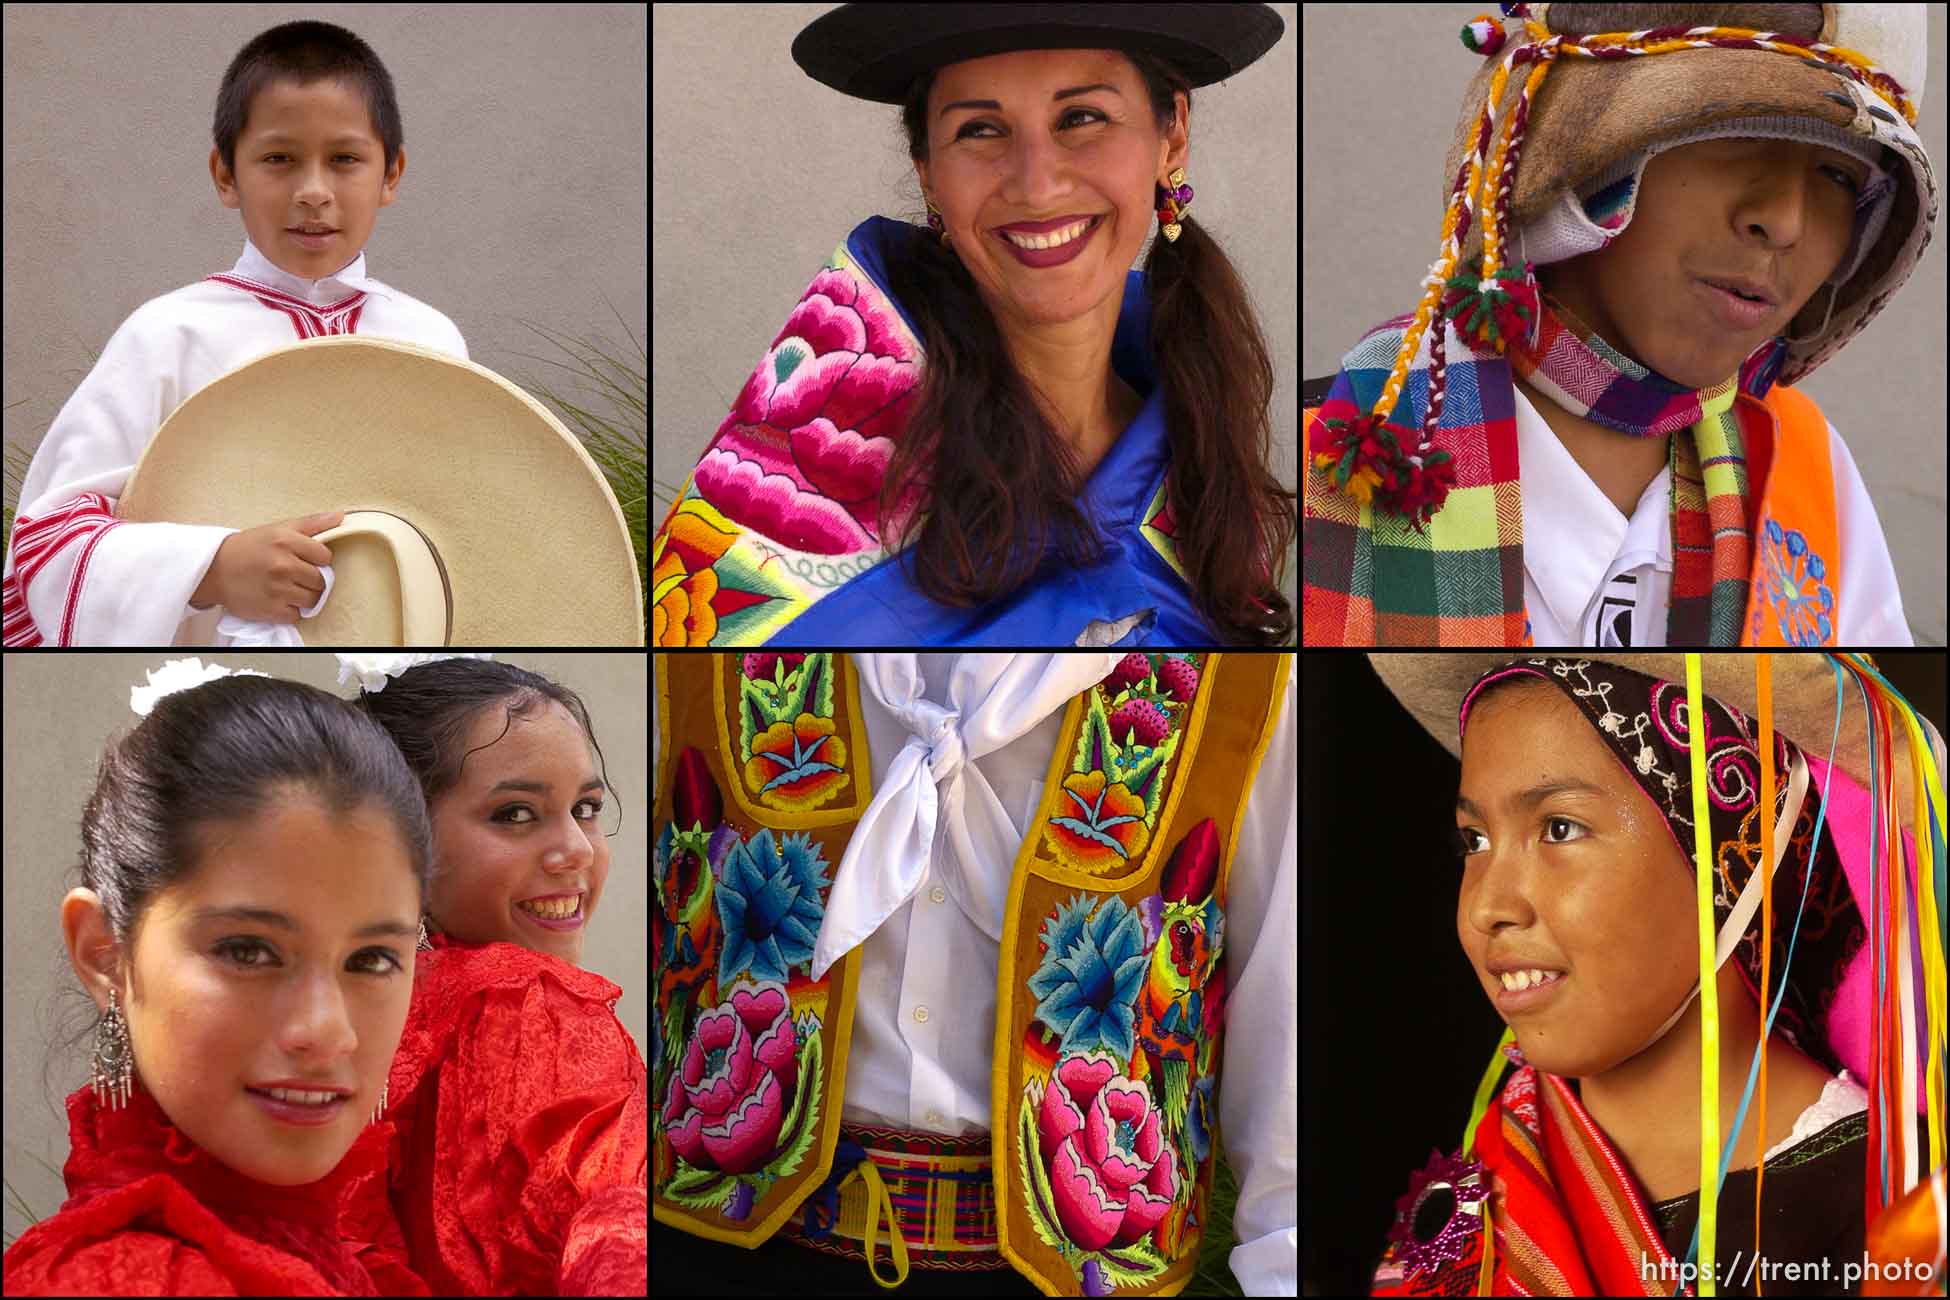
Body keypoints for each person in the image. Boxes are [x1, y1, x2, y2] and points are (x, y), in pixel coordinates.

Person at [653, 651, 1297, 1296]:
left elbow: (1287, 1023)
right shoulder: (717, 613)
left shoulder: (1234, 672)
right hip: (724, 1243)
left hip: (1073, 1274)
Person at [651, 4, 1295, 648]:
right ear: (928, 171)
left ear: (1171, 136)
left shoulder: (1201, 460)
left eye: (1082, 118)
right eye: (981, 131)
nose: (1037, 186)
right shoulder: (792, 477)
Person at [1303, 4, 1932, 646]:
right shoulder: (1335, 444)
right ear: (1588, 162)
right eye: (1736, 132)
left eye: (1838, 174)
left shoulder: (1804, 469)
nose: (1785, 220)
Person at [1365, 653, 1946, 1296]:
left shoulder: (1896, 1219)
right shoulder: (1506, 1158)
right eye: (1473, 841)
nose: (1486, 907)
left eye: (1560, 828)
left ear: (1736, 861)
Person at [3, 20, 468, 646]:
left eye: (345, 160)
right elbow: (49, 541)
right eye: (279, 159)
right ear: (226, 174)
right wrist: (211, 568)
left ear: (391, 174)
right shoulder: (167, 337)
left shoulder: (430, 342)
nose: (312, 192)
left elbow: (468, 537)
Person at [2, 661, 433, 1294]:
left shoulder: (349, 1260)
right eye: (249, 951)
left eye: (371, 960)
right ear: (105, 953)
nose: (328, 1031)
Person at [345, 654, 646, 1295]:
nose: (577, 849)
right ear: (401, 839)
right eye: (515, 814)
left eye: (587, 807)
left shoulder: (355, 1004)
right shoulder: (533, 1010)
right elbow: (614, 1208)